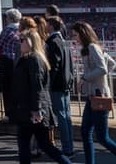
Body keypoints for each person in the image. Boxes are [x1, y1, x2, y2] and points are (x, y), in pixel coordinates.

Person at [71, 21, 116, 164]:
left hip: (99, 96)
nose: (74, 38)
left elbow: (103, 69)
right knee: (86, 132)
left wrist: (85, 78)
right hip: (94, 95)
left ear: (83, 34)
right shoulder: (92, 48)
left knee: (102, 137)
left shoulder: (92, 48)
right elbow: (111, 64)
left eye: (76, 35)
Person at [12, 30, 73, 164]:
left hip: (32, 109)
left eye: (23, 40)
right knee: (41, 144)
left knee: (30, 145)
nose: (20, 42)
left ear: (31, 42)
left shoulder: (34, 59)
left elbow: (37, 85)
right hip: (29, 108)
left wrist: (36, 109)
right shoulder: (29, 58)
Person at [45, 16, 75, 157]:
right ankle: (69, 147)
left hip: (57, 85)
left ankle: (67, 148)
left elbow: (54, 66)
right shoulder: (64, 41)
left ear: (51, 25)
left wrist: (48, 83)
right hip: (65, 84)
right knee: (66, 117)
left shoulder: (53, 42)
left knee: (61, 117)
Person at [0, 8, 21, 121]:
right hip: (18, 62)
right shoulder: (21, 29)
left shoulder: (6, 30)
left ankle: (9, 114)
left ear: (9, 18)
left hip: (6, 62)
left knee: (7, 89)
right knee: (17, 88)